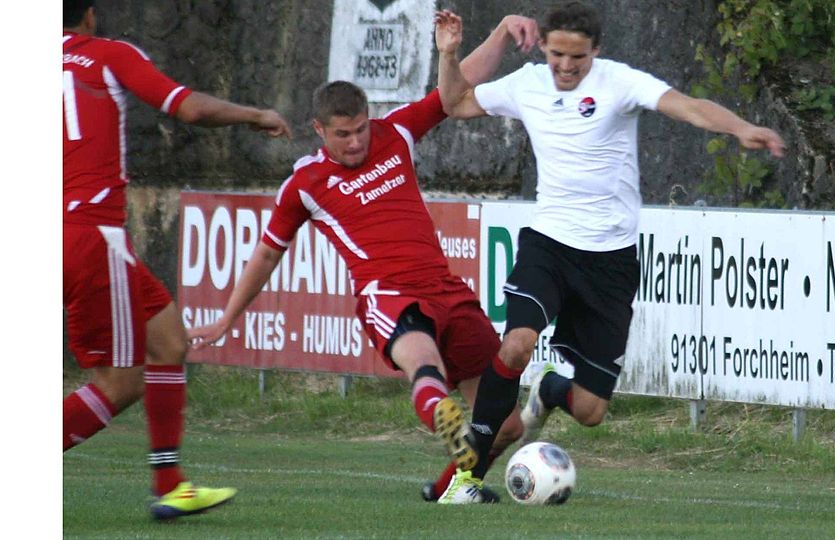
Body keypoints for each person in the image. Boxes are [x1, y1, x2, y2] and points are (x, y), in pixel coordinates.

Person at [188, 14, 542, 505]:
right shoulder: (305, 183)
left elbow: (455, 93)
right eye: (342, 135)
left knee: (505, 426)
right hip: (389, 295)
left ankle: (449, 489)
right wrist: (228, 317)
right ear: (319, 130)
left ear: (368, 118)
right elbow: (268, 253)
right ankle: (441, 410)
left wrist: (492, 34)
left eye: (359, 130)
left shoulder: (394, 133)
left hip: (445, 288)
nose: (355, 142)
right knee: (426, 364)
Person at [434, 1, 785, 483]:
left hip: (610, 262)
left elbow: (688, 107)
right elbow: (455, 104)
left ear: (595, 51)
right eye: (557, 54)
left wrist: (741, 128)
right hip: (549, 246)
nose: (565, 66)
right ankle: (469, 476)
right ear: (543, 47)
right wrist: (449, 56)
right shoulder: (527, 84)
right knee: (516, 345)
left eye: (577, 57)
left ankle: (550, 391)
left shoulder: (619, 82)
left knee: (591, 411)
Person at [62, 0, 292, 520]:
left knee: (168, 338)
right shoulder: (107, 54)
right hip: (91, 236)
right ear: (91, 16)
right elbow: (186, 106)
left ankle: (171, 483)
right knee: (120, 384)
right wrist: (255, 114)